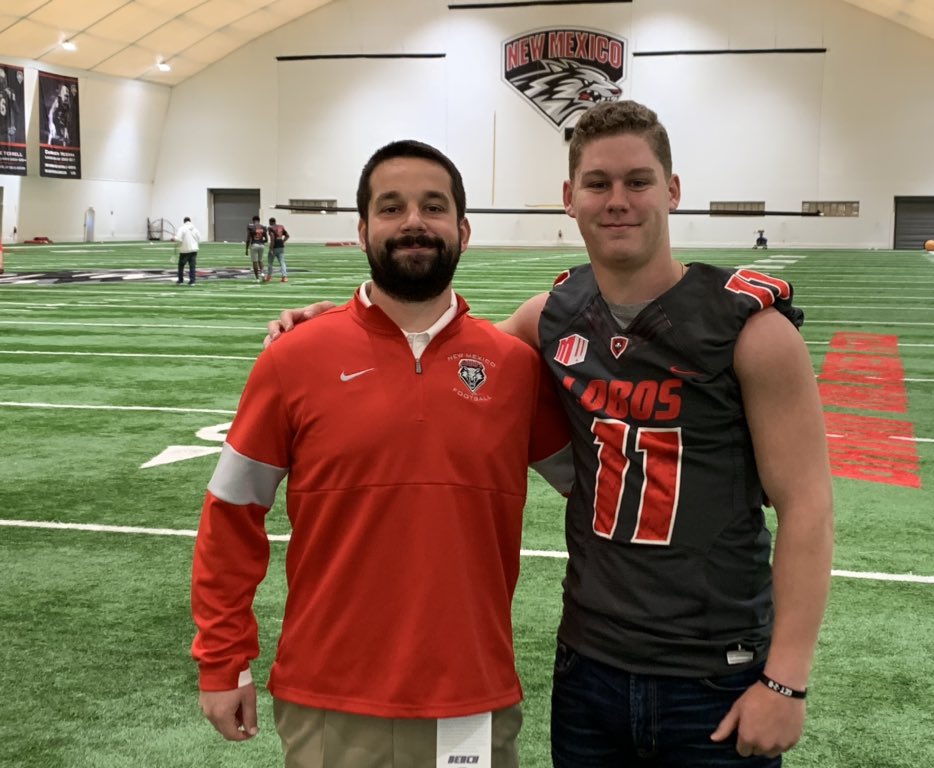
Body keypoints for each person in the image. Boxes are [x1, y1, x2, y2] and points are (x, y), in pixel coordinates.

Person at [265, 100, 834, 767]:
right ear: (570, 198)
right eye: (598, 184)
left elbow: (808, 509)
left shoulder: (752, 330)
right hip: (588, 666)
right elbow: (437, 350)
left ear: (673, 191)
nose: (617, 200)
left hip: (713, 674)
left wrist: (785, 679)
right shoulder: (553, 316)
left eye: (638, 181)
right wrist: (336, 322)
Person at [192, 139, 573, 768]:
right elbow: (232, 515)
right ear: (364, 229)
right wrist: (222, 660)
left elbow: (603, 490)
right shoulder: (292, 359)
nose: (414, 222)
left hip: (470, 699)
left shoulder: (513, 370)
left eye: (434, 206)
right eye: (392, 208)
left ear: (464, 229)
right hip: (328, 697)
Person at [173, 216, 202, 286]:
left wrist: (173, 238)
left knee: (181, 265)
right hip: (194, 250)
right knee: (192, 266)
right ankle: (192, 281)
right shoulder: (195, 229)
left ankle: (180, 280)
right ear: (190, 221)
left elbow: (179, 239)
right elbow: (199, 239)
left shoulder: (182, 228)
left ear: (184, 221)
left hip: (185, 250)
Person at [265, 217, 290, 282]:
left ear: (270, 222)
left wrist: (271, 248)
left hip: (275, 245)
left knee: (270, 263)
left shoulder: (270, 228)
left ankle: (269, 277)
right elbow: (287, 235)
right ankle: (284, 277)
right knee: (282, 262)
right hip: (280, 245)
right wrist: (283, 241)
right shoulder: (281, 226)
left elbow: (272, 238)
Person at [244, 215, 268, 281]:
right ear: (259, 220)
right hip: (262, 245)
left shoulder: (251, 227)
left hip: (254, 245)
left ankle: (257, 277)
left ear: (253, 220)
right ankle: (262, 273)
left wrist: (246, 249)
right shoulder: (263, 227)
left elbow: (248, 239)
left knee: (255, 262)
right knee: (260, 261)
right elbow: (266, 239)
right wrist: (261, 241)